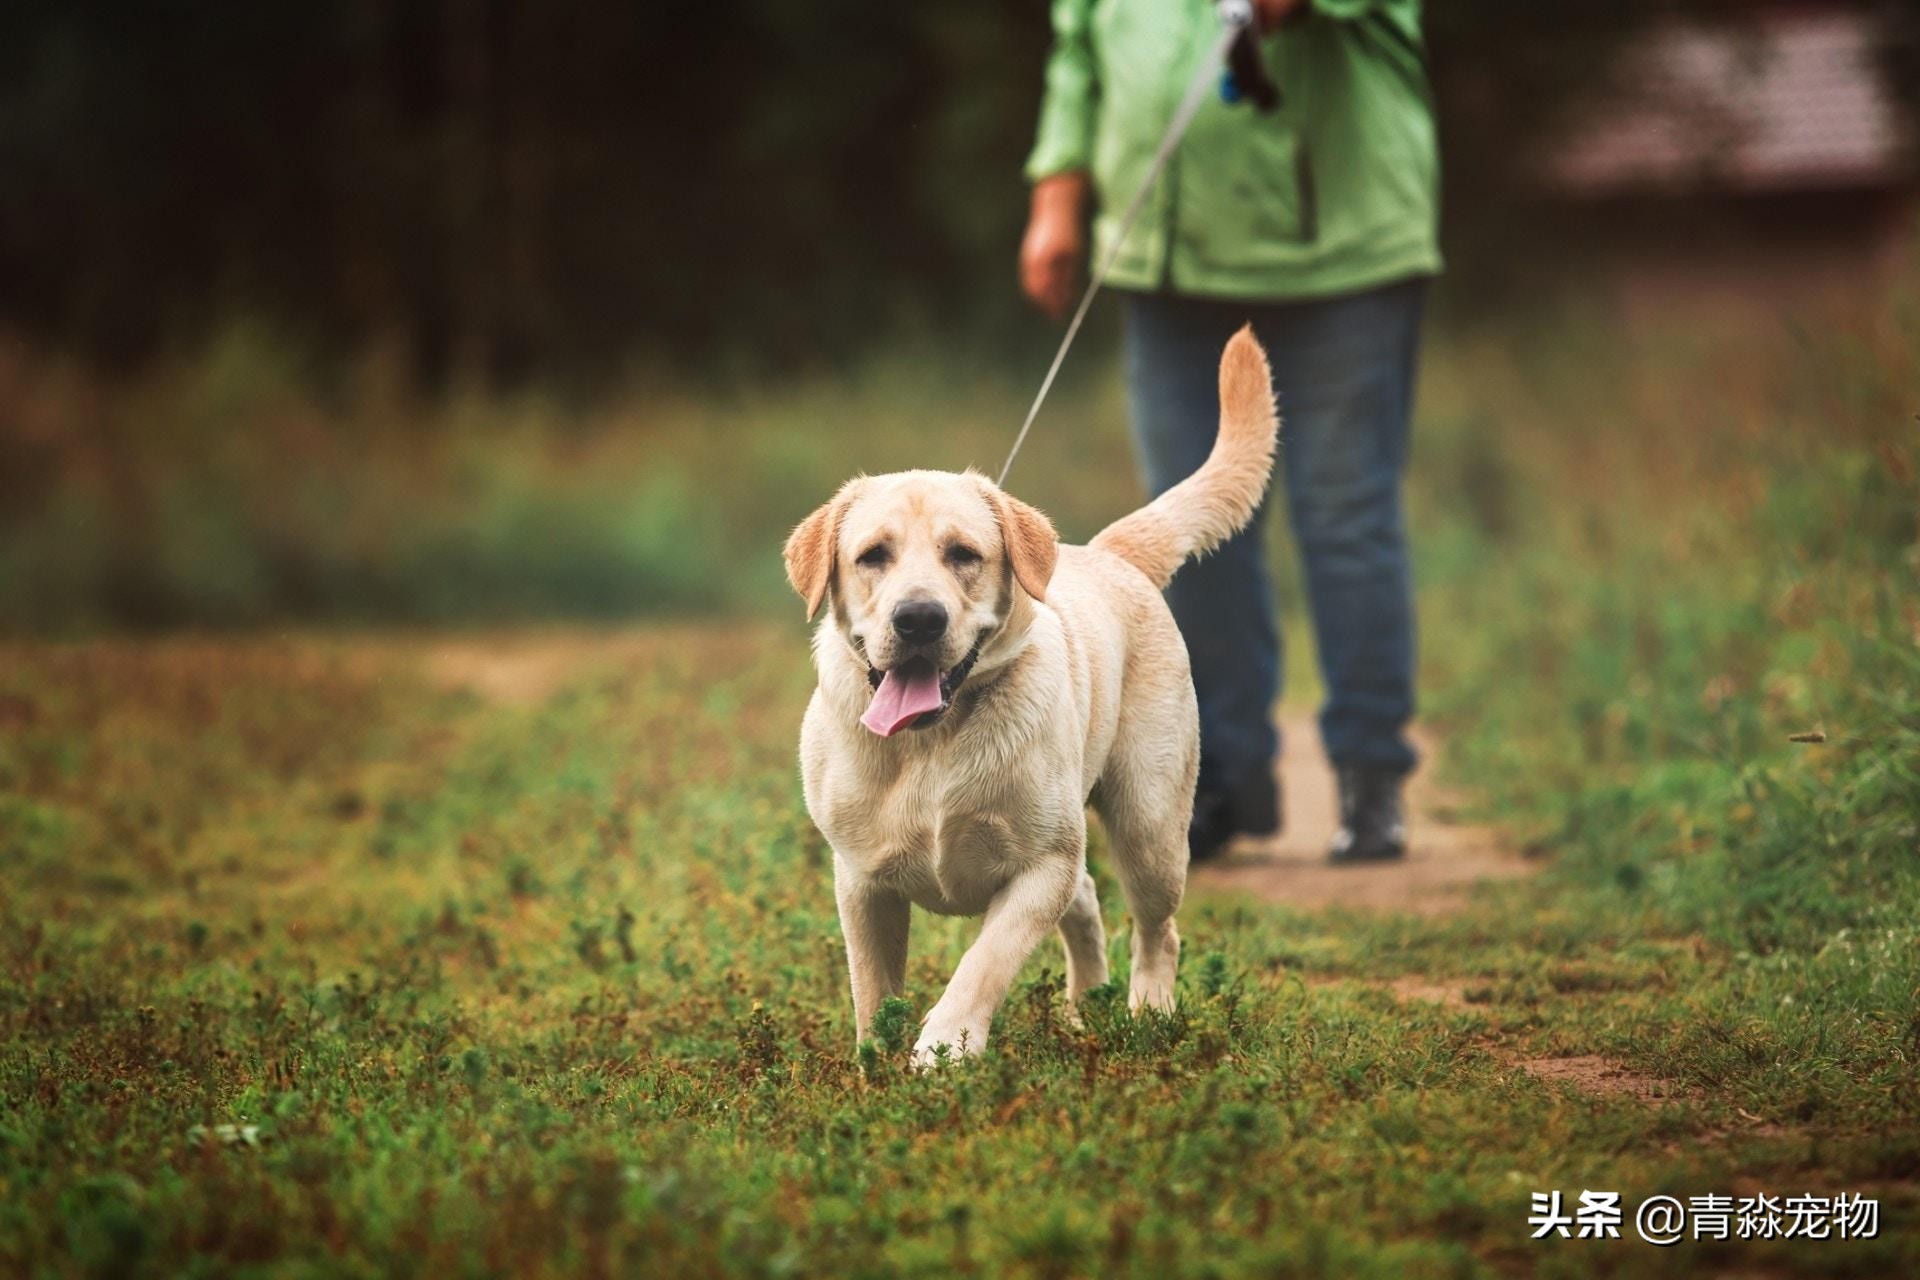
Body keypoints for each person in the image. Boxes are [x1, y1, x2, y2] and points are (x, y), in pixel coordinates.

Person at [1020, 0, 1440, 863]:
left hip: (1344, 261)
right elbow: (1078, 57)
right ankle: (1223, 777)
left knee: (1347, 519)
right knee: (1184, 530)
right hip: (1167, 266)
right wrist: (1057, 197)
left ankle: (1371, 776)